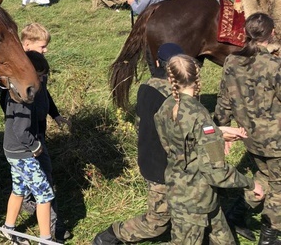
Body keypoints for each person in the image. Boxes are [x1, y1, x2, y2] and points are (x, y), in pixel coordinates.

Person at [154, 54, 263, 245]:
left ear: (171, 79)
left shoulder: (166, 107)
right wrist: (250, 183)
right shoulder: (200, 115)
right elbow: (216, 172)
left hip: (181, 190)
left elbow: (179, 143)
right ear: (197, 77)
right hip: (195, 202)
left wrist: (217, 133)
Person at [92, 43, 183, 245]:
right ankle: (113, 235)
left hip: (149, 159)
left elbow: (141, 124)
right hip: (162, 167)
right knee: (156, 222)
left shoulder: (146, 87)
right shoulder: (174, 97)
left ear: (157, 63)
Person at [215, 13, 281, 244]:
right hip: (276, 140)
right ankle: (270, 234)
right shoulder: (275, 65)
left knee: (263, 176)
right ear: (272, 33)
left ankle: (236, 215)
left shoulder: (231, 61)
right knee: (279, 185)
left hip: (249, 137)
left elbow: (224, 99)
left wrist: (221, 130)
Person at [18, 23, 70, 241]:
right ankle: (53, 227)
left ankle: (31, 205)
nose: (46, 50)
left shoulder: (40, 68)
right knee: (45, 183)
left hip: (39, 133)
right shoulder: (18, 73)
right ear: (27, 44)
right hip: (25, 137)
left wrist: (55, 114)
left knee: (36, 179)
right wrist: (27, 137)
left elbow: (45, 95)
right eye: (42, 46)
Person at [1, 50, 57, 244]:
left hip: (13, 151)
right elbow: (20, 129)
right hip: (23, 152)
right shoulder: (24, 97)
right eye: (40, 75)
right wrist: (35, 147)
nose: (43, 79)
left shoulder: (16, 90)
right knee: (44, 194)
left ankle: (8, 228)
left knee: (19, 189)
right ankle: (46, 239)